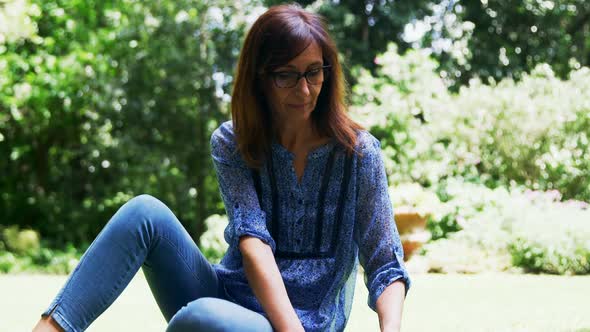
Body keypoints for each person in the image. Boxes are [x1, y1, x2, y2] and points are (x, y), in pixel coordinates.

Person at [33, 4, 410, 332]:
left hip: (306, 321)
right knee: (144, 213)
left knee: (202, 320)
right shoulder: (233, 142)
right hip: (230, 296)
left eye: (314, 72)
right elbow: (253, 243)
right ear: (260, 77)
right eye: (286, 75)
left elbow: (384, 262)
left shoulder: (359, 154)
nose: (305, 89)